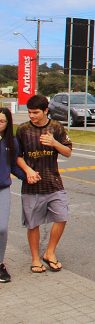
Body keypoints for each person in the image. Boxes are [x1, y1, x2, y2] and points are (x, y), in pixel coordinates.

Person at [16, 95, 73, 274]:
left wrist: (54, 143)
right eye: (29, 112)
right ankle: (35, 259)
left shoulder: (56, 128)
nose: (32, 116)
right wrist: (27, 171)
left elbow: (68, 152)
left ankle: (50, 252)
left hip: (54, 183)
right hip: (32, 185)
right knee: (33, 224)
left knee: (62, 217)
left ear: (46, 111)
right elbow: (17, 156)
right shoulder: (23, 130)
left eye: (36, 112)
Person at [1, 108, 28, 283]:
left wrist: (29, 176)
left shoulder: (11, 142)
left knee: (1, 228)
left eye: (2, 121)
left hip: (2, 189)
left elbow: (13, 166)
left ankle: (0, 264)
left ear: (8, 123)